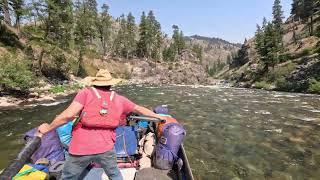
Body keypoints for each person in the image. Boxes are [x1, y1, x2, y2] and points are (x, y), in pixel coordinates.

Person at [37, 69, 168, 180]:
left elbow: (66, 116)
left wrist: (47, 129)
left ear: (95, 83)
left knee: (68, 177)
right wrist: (157, 116)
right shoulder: (119, 99)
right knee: (115, 175)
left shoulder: (85, 93)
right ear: (110, 84)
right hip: (105, 148)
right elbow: (139, 109)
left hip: (81, 148)